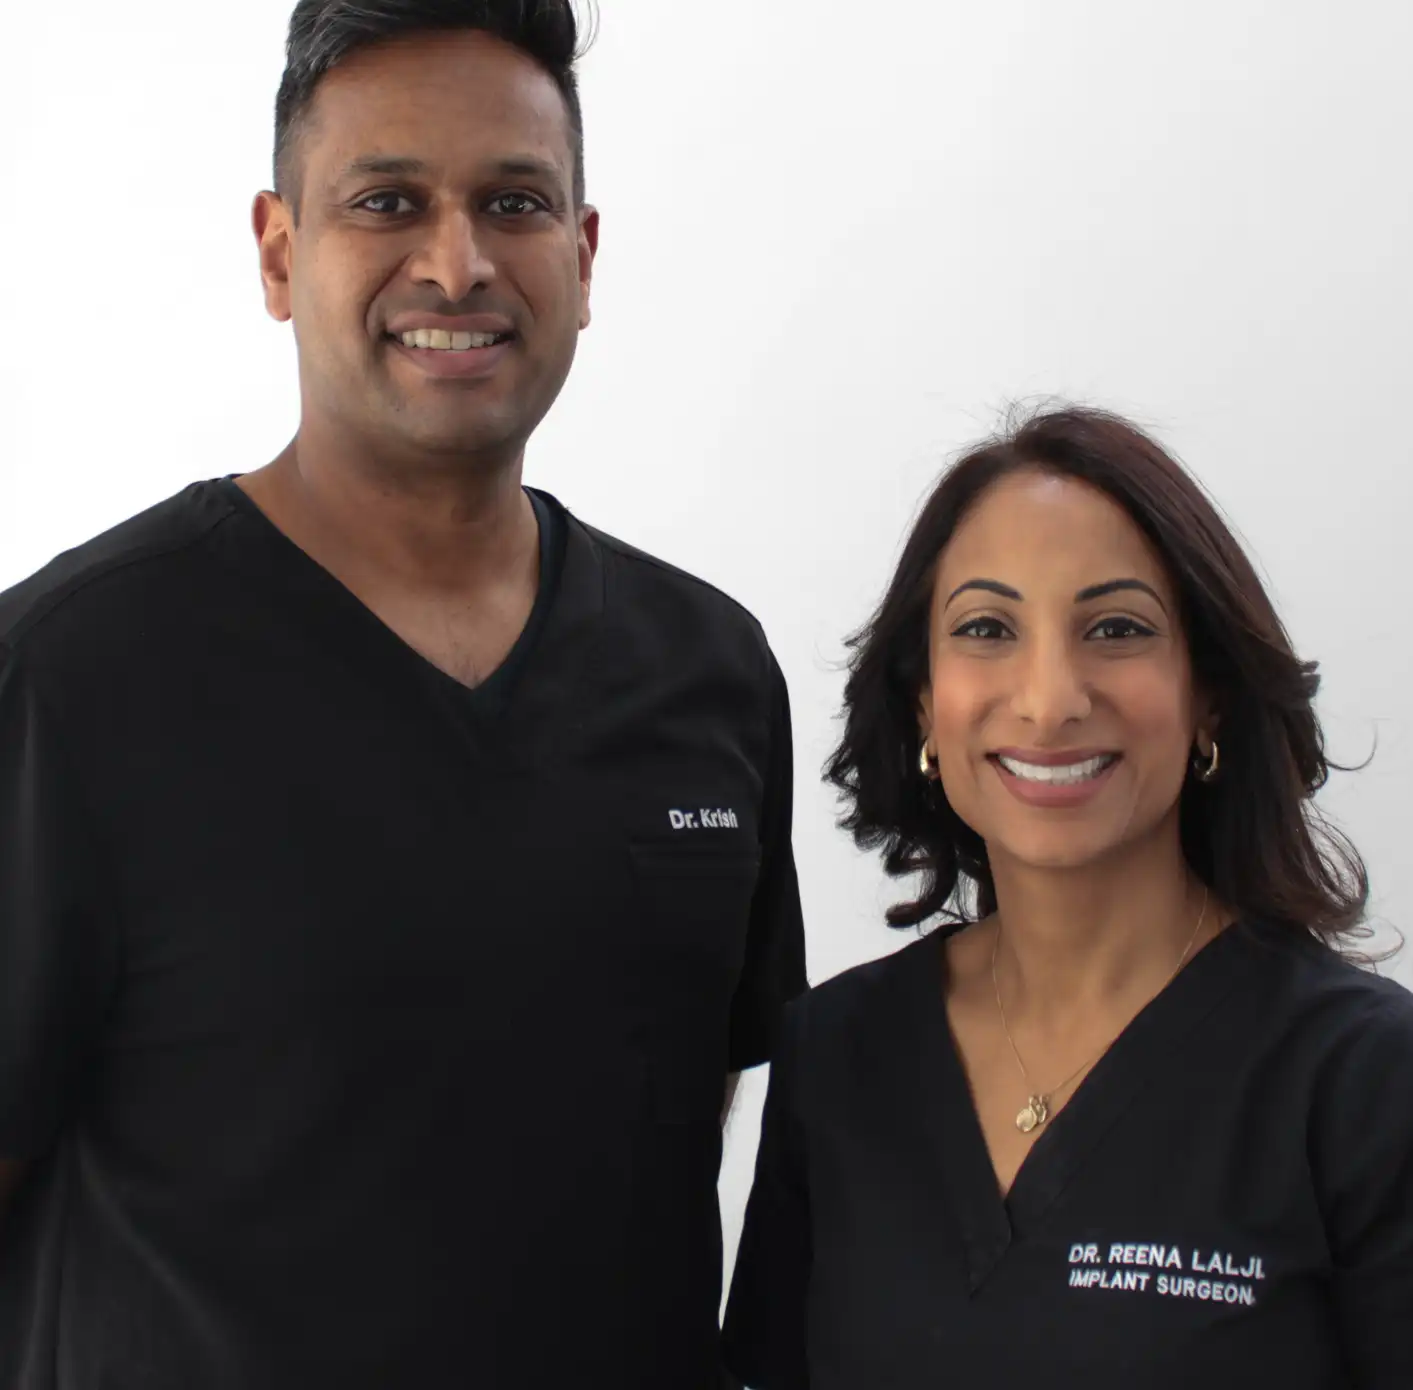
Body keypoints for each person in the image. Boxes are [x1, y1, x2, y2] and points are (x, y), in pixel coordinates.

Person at [0, 3, 806, 1386]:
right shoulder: (72, 673)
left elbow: (683, 1121)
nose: (458, 261)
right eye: (388, 200)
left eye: (514, 202)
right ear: (278, 250)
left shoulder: (707, 672)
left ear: (584, 254)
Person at [720, 407, 1413, 1389]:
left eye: (1117, 628)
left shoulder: (1364, 1080)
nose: (1049, 699)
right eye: (986, 628)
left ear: (1207, 692)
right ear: (924, 702)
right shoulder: (835, 1055)